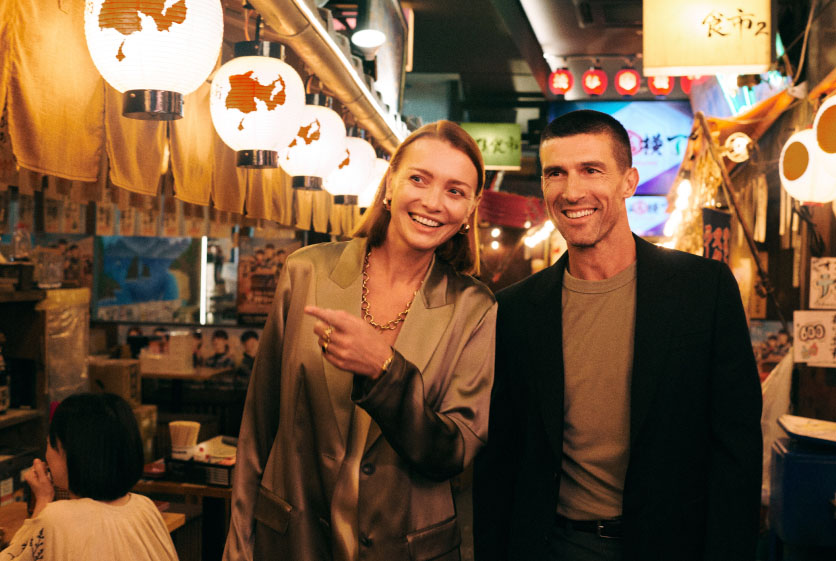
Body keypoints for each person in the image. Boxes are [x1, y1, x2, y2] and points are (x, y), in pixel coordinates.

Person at [472, 110, 762, 561]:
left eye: (591, 170)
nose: (572, 191)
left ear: (628, 181)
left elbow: (736, 448)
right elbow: (503, 457)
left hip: (672, 544)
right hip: (556, 544)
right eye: (555, 174)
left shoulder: (703, 290)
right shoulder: (515, 309)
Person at [224, 120, 497, 561]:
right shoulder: (307, 272)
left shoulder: (474, 308)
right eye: (418, 179)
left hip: (406, 547)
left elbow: (454, 450)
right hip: (294, 537)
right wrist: (238, 547)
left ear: (470, 209)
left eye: (455, 190)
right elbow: (258, 426)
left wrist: (386, 373)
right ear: (390, 184)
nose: (432, 202)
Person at [0, 393, 178, 560]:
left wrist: (43, 500)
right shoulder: (145, 506)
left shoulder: (57, 517)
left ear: (69, 454)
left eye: (50, 444)